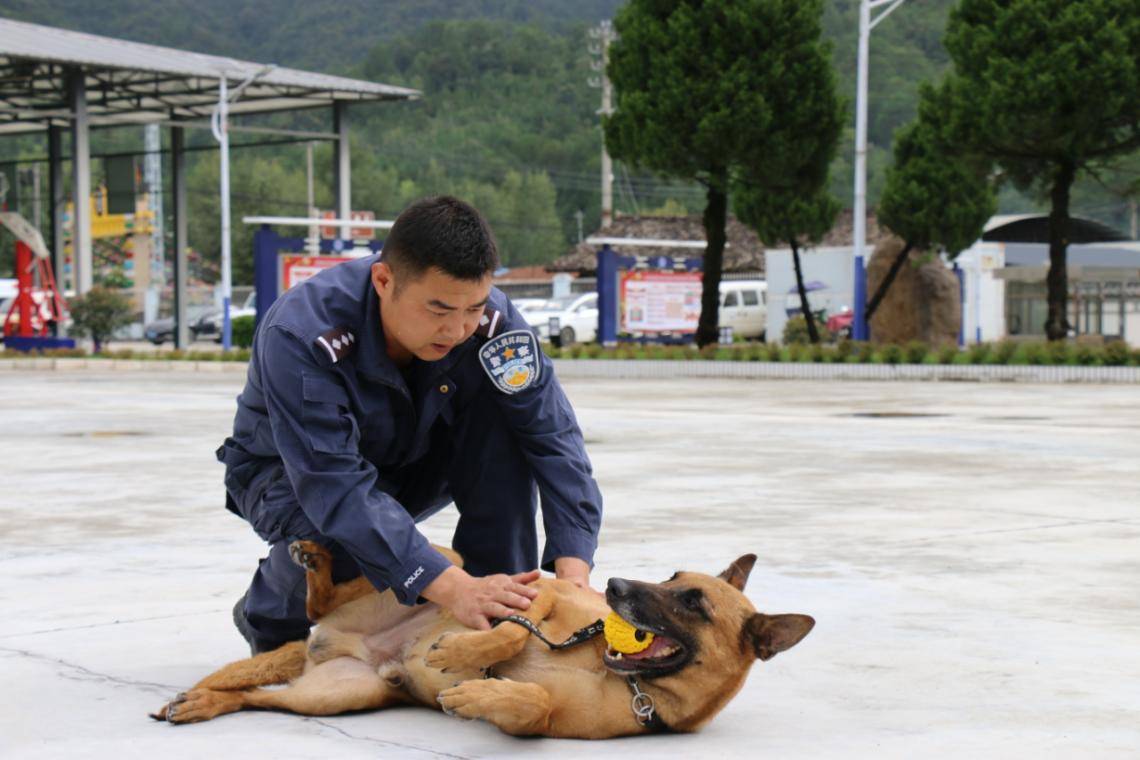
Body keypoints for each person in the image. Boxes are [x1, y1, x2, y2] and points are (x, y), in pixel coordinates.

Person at [217, 196, 603, 654]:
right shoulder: (304, 333)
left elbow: (553, 438)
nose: (457, 329)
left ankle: (500, 607)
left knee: (508, 427)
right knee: (338, 541)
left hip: (412, 461)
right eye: (439, 311)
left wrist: (574, 574)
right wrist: (450, 586)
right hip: (291, 477)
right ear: (384, 280)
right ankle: (265, 611)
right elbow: (333, 486)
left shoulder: (494, 325)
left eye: (472, 309)